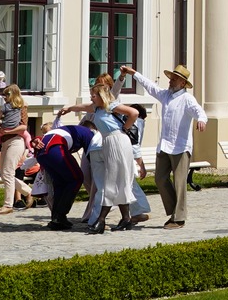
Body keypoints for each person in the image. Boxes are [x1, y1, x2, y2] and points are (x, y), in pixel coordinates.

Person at [122, 63, 208, 229]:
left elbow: (199, 111)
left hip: (181, 147)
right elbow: (150, 86)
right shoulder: (166, 95)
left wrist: (202, 120)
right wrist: (134, 74)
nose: (170, 81)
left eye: (174, 79)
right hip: (164, 146)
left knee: (179, 182)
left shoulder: (187, 99)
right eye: (171, 78)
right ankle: (174, 210)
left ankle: (179, 218)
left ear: (183, 83)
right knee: (160, 179)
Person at [80, 77, 143, 232]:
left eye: (93, 95)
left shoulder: (112, 106)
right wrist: (68, 109)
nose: (91, 98)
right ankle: (126, 219)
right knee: (119, 180)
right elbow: (81, 106)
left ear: (101, 96)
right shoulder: (97, 109)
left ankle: (100, 221)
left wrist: (125, 128)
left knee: (111, 181)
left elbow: (134, 113)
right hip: (109, 143)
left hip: (118, 141)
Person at [32, 117, 92, 229]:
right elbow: (91, 154)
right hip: (56, 149)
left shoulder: (66, 129)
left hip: (42, 153)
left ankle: (56, 217)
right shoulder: (88, 132)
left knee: (60, 183)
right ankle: (60, 215)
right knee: (77, 178)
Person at [0, 84, 32, 213]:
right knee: (5, 175)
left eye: (6, 94)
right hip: (5, 142)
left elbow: (23, 127)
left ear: (13, 94)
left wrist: (8, 131)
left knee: (8, 173)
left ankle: (8, 205)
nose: (4, 97)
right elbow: (1, 126)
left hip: (16, 141)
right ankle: (29, 192)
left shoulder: (22, 108)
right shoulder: (6, 109)